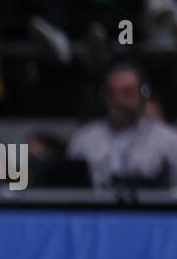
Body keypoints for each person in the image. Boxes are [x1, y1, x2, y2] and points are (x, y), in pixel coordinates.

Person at [67, 60, 177, 190]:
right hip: (96, 209)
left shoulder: (168, 138)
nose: (118, 101)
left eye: (127, 93)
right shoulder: (84, 138)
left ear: (143, 94)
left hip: (150, 209)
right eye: (111, 93)